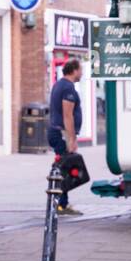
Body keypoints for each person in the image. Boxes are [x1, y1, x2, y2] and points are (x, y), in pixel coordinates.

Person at [48, 58, 84, 215]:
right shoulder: (68, 88)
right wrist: (71, 139)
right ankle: (60, 205)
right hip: (61, 133)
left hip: (56, 132)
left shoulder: (59, 84)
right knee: (63, 170)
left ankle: (62, 203)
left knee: (63, 168)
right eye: (81, 69)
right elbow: (67, 115)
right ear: (74, 70)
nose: (82, 73)